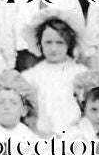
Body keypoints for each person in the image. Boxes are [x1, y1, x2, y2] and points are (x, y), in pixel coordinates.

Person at [21, 8, 90, 137]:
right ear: (40, 43)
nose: (53, 48)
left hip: (75, 136)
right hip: (41, 136)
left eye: (59, 42)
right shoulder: (32, 76)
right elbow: (28, 115)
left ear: (69, 44)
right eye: (48, 42)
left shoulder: (81, 74)